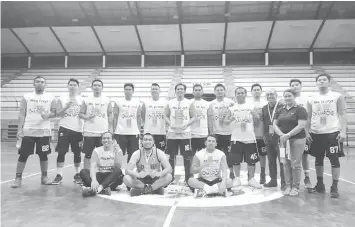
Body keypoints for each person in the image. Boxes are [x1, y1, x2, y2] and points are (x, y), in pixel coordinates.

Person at [11, 76, 57, 188]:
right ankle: (18, 178)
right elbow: (22, 114)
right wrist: (19, 129)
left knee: (44, 155)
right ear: (33, 84)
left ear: (45, 85)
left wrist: (48, 115)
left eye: (42, 82)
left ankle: (44, 177)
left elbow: (54, 112)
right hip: (28, 131)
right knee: (23, 155)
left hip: (44, 132)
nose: (40, 83)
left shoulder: (51, 97)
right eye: (37, 82)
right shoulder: (26, 97)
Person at [306, 74, 347, 198]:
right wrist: (307, 132)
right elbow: (308, 117)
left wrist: (343, 131)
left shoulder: (337, 96)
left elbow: (342, 114)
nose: (322, 81)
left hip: (332, 133)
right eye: (319, 80)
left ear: (329, 83)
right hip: (316, 133)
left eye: (324, 80)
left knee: (334, 159)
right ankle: (320, 184)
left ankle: (334, 186)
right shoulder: (311, 98)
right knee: (318, 159)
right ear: (316, 83)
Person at [273, 89, 308, 196]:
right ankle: (288, 186)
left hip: (297, 140)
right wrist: (281, 135)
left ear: (294, 96)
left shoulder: (300, 109)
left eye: (290, 96)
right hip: (283, 141)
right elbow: (274, 124)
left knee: (296, 164)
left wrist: (288, 135)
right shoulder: (279, 110)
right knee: (285, 163)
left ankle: (295, 187)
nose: (287, 98)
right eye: (285, 96)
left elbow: (301, 125)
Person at [225, 87, 262, 189]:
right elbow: (225, 122)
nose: (240, 94)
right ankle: (237, 178)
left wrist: (256, 116)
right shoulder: (231, 108)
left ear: (245, 94)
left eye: (242, 93)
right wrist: (230, 119)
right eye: (238, 93)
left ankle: (251, 179)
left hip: (250, 138)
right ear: (235, 94)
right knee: (236, 160)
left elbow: (258, 123)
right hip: (236, 138)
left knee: (251, 160)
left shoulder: (252, 106)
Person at [52, 78, 83, 185]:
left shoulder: (82, 100)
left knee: (77, 153)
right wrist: (66, 107)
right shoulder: (62, 98)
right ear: (68, 86)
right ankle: (59, 175)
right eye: (71, 84)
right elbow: (58, 114)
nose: (72, 86)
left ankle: (77, 174)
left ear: (78, 87)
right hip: (64, 128)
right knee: (61, 152)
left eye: (75, 85)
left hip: (78, 130)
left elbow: (83, 114)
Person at [164, 83, 196, 184]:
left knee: (187, 157)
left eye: (182, 89)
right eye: (178, 89)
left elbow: (194, 116)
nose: (180, 90)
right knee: (171, 156)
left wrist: (186, 125)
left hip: (185, 133)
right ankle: (170, 178)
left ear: (185, 91)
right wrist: (170, 124)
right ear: (175, 90)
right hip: (172, 133)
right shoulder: (170, 103)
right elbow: (165, 116)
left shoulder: (189, 103)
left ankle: (188, 178)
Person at [79, 79, 113, 170]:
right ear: (92, 87)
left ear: (102, 88)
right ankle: (86, 173)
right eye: (95, 85)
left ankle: (101, 173)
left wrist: (109, 127)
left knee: (103, 154)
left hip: (103, 132)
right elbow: (81, 114)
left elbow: (110, 114)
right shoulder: (86, 100)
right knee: (88, 154)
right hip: (89, 131)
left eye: (99, 85)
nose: (97, 87)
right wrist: (88, 117)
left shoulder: (107, 100)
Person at [80, 132, 124, 197]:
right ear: (101, 140)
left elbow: (118, 166)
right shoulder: (96, 150)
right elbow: (92, 166)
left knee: (118, 171)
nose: (106, 140)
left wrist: (116, 152)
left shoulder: (118, 150)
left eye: (108, 138)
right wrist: (94, 180)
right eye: (104, 138)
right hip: (100, 175)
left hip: (111, 176)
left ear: (113, 140)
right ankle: (103, 190)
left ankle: (98, 188)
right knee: (83, 172)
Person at [290, 79, 312, 189]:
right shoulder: (287, 99)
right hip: (290, 132)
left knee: (304, 156)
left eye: (296, 85)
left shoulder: (307, 99)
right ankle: (291, 180)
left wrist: (307, 131)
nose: (294, 87)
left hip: (302, 132)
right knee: (290, 157)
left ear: (301, 86)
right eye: (292, 85)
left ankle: (307, 177)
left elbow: (309, 117)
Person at [208, 83, 234, 178]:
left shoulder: (230, 102)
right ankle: (216, 174)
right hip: (217, 133)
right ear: (214, 92)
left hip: (228, 133)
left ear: (224, 91)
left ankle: (231, 174)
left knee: (229, 155)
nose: (219, 91)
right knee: (216, 155)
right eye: (217, 90)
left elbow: (234, 116)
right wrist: (211, 132)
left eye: (221, 90)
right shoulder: (211, 104)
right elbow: (210, 118)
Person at [113, 83, 141, 163]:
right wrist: (114, 130)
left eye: (130, 90)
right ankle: (118, 173)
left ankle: (130, 173)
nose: (128, 91)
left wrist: (138, 131)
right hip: (120, 132)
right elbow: (115, 116)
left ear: (133, 91)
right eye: (126, 89)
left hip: (133, 132)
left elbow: (138, 117)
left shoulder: (137, 102)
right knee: (119, 154)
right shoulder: (118, 102)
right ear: (124, 91)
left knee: (133, 155)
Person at [141, 83, 167, 151]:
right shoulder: (145, 102)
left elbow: (167, 116)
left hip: (161, 132)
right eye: (153, 89)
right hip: (148, 132)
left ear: (159, 91)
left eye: (156, 89)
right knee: (147, 152)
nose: (154, 90)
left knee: (160, 153)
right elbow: (142, 116)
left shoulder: (165, 103)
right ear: (150, 91)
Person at [250, 83, 268, 184]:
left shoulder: (265, 103)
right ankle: (251, 175)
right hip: (251, 135)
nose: (256, 91)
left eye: (258, 89)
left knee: (262, 155)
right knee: (251, 155)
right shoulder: (248, 103)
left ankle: (262, 173)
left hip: (262, 134)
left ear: (261, 91)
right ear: (251, 92)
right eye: (254, 90)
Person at [190, 84, 210, 154]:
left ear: (202, 92)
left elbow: (209, 118)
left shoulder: (207, 104)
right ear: (193, 92)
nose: (197, 91)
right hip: (191, 134)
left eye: (199, 90)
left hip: (203, 134)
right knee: (191, 156)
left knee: (204, 156)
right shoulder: (189, 103)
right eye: (196, 90)